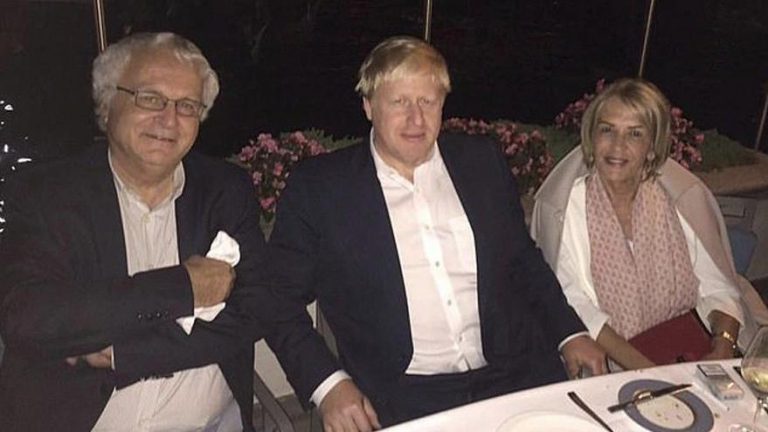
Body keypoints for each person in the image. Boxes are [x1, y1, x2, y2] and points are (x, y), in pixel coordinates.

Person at [264, 35, 606, 431]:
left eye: (428, 101)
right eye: (399, 102)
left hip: (514, 372)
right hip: (404, 394)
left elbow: (522, 261)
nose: (416, 119)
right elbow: (276, 300)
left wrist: (569, 332)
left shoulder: (481, 162)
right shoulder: (321, 188)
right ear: (369, 106)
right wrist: (329, 386)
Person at [0, 32, 270, 431]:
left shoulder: (224, 189)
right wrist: (183, 287)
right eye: (150, 98)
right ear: (107, 103)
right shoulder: (48, 194)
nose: (169, 119)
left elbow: (255, 308)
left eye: (187, 105)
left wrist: (123, 354)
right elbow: (30, 318)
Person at [530, 77, 767, 371]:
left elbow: (718, 289)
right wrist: (650, 371)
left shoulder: (677, 198)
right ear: (591, 137)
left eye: (634, 134)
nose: (617, 146)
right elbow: (578, 308)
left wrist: (723, 345)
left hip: (688, 349)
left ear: (652, 147)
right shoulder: (565, 207)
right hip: (608, 362)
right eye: (607, 130)